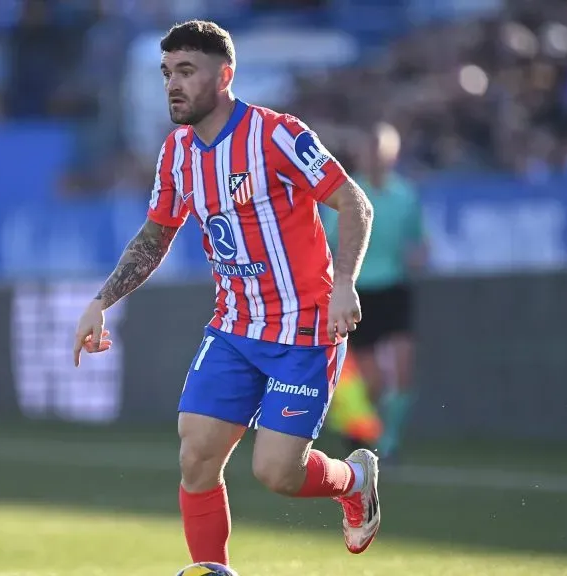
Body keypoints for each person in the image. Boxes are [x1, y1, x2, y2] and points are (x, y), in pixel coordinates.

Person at [72, 21, 379, 566]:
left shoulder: (277, 135)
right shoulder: (177, 153)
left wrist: (345, 284)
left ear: (224, 76)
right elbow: (155, 236)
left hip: (304, 326)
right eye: (167, 72)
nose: (173, 84)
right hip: (234, 327)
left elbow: (354, 202)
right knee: (196, 457)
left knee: (277, 472)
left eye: (186, 71)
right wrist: (102, 301)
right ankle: (212, 570)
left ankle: (354, 480)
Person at [322, 123, 424, 460]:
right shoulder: (346, 193)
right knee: (372, 381)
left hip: (393, 287)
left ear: (393, 155)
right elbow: (329, 241)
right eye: (370, 151)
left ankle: (390, 443)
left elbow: (419, 241)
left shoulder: (405, 195)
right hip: (359, 290)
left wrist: (418, 255)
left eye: (382, 152)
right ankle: (360, 432)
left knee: (403, 369)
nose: (376, 158)